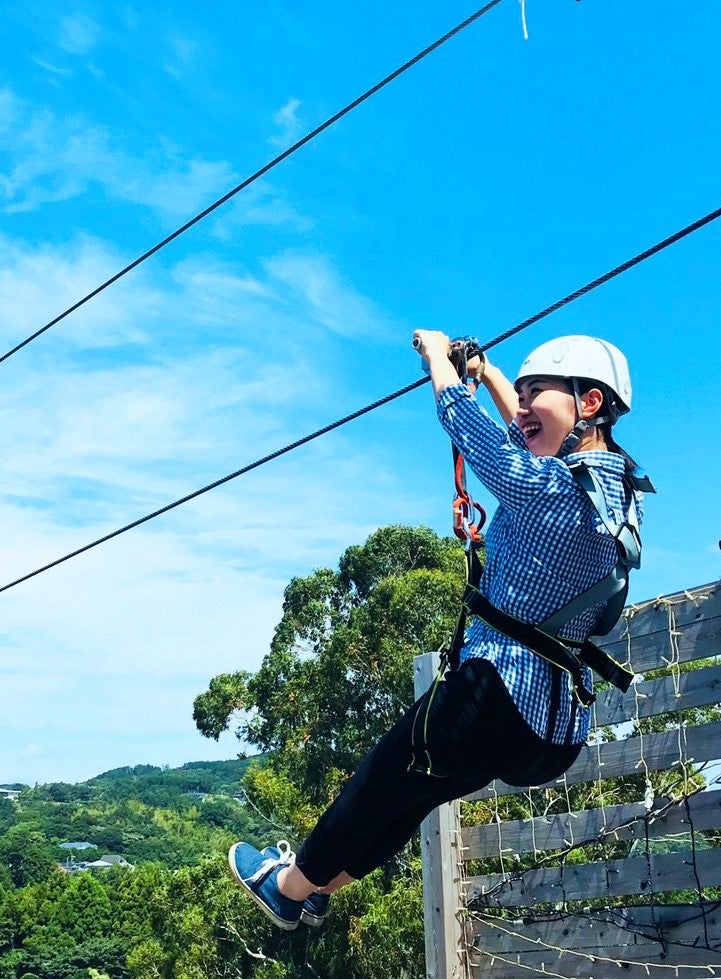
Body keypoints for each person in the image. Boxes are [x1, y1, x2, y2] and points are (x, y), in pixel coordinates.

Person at [228, 331, 653, 930]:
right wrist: (492, 372)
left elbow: (480, 437)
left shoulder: (545, 487)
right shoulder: (617, 492)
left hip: (495, 694)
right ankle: (322, 887)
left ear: (588, 404)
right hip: (555, 730)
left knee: (382, 780)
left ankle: (288, 886)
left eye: (540, 394)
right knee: (414, 794)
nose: (524, 406)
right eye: (523, 394)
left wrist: (439, 363)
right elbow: (530, 435)